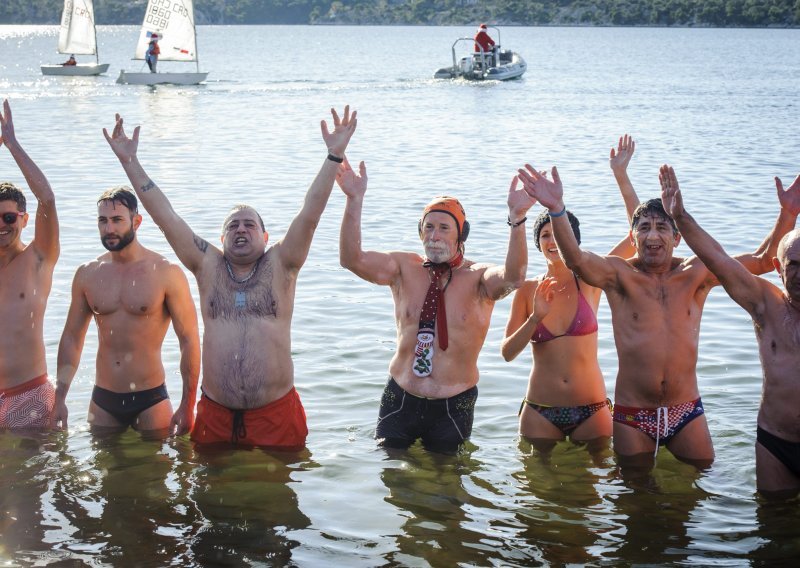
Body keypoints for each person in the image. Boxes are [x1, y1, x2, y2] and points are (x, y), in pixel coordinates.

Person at [103, 106, 357, 450]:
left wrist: (333, 155)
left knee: (279, 498)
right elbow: (165, 215)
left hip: (276, 414)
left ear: (266, 238)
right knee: (210, 498)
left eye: (250, 224)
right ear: (220, 240)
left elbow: (310, 212)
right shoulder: (208, 266)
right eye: (232, 226)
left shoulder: (282, 264)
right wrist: (129, 162)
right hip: (216, 414)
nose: (240, 229)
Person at [518, 161, 798, 468]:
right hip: (632, 415)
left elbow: (761, 260)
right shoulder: (618, 275)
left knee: (700, 482)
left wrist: (788, 214)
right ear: (633, 236)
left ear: (677, 237)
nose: (653, 236)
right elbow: (577, 259)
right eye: (644, 227)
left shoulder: (696, 274)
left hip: (686, 410)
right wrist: (557, 209)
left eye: (662, 227)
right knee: (636, 498)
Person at [337, 158, 536, 454]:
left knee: (446, 486)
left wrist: (517, 218)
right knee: (392, 478)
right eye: (429, 227)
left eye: (444, 227)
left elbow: (514, 277)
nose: (435, 235)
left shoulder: (479, 277)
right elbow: (351, 259)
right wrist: (354, 199)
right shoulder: (403, 268)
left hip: (454, 403)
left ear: (461, 235)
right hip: (400, 396)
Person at [660, 165, 800, 494]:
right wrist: (680, 217)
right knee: (772, 525)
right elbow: (718, 260)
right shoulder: (767, 305)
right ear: (779, 269)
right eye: (794, 265)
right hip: (775, 444)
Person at [501, 135, 640, 451]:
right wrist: (536, 317)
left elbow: (636, 236)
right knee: (538, 495)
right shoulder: (526, 289)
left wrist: (621, 175)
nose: (552, 241)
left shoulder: (590, 278)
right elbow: (507, 353)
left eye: (557, 234)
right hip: (540, 410)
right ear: (538, 243)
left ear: (570, 239)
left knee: (593, 493)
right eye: (545, 235)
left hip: (592, 410)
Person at [52, 186, 201, 438]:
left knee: (152, 474)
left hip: (150, 398)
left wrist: (187, 405)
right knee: (103, 475)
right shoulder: (88, 274)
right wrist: (59, 399)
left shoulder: (166, 272)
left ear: (137, 221)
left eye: (117, 220)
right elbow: (71, 338)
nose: (109, 229)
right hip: (103, 398)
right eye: (103, 221)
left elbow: (189, 339)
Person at [0, 99, 60, 429]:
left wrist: (12, 145)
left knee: (31, 481)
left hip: (29, 395)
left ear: (23, 219)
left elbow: (47, 199)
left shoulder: (38, 258)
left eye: (9, 217)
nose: (2, 225)